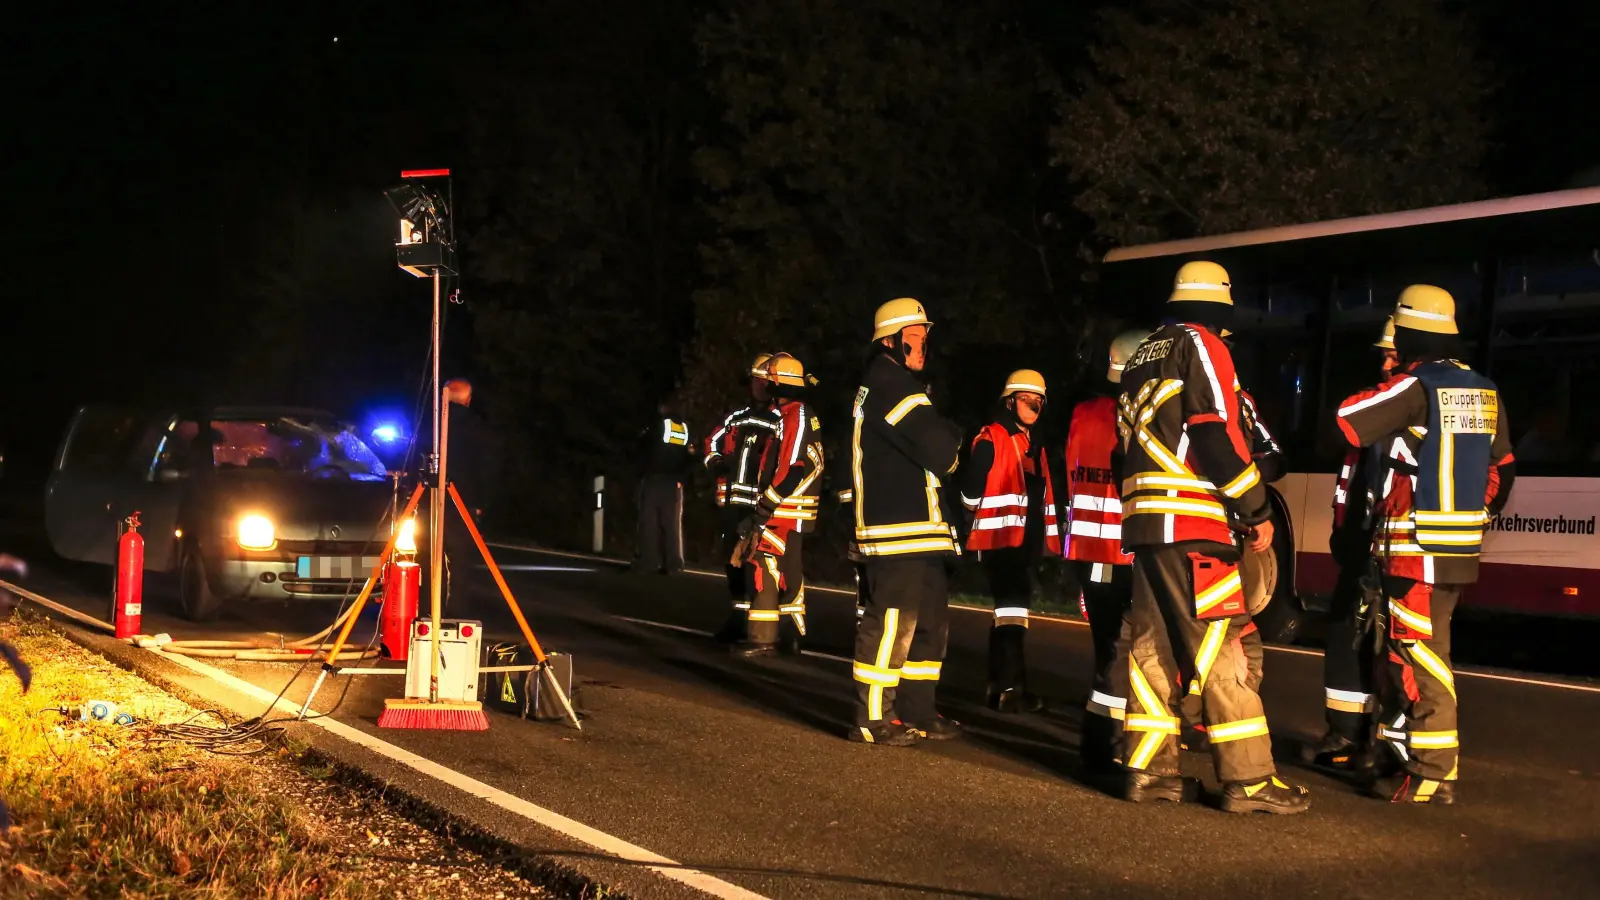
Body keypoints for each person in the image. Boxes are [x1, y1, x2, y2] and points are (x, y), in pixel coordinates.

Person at [1116, 260, 1310, 814]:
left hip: (1147, 524)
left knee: (1150, 648)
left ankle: (1149, 772)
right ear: (1219, 308)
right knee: (1220, 643)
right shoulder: (1201, 346)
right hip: (1194, 520)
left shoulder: (1140, 354)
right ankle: (1248, 781)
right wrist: (1253, 509)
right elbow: (1214, 436)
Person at [1332, 287, 1516, 804]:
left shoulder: (1419, 386)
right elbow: (1505, 470)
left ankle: (1435, 770)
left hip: (1415, 548)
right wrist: (1474, 518)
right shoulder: (1483, 389)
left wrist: (1392, 383)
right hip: (1456, 548)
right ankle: (1407, 756)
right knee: (1410, 648)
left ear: (1411, 335)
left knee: (1421, 652)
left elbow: (1348, 420)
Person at [848, 298, 965, 746]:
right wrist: (954, 437)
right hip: (897, 528)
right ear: (890, 341)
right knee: (893, 622)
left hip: (920, 529)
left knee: (929, 622)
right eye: (916, 338)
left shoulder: (892, 383)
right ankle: (873, 716)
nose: (924, 347)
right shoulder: (890, 383)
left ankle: (917, 709)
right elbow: (942, 451)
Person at [1302, 316, 1398, 771]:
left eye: (1394, 354)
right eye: (1383, 352)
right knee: (1347, 636)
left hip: (1387, 545)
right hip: (1362, 541)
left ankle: (1374, 743)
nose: (1385, 362)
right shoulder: (1382, 408)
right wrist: (1343, 533)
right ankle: (1348, 734)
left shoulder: (1404, 407)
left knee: (1383, 644)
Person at [1065, 330, 1145, 770]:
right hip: (1124, 551)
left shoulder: (1082, 413)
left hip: (1085, 549)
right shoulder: (1137, 415)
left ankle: (1102, 736)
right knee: (1122, 651)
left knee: (1106, 648)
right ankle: (1107, 743)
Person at [960, 370, 1061, 714]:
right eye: (1027, 398)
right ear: (1009, 400)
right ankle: (1010, 689)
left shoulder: (1031, 442)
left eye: (1039, 400)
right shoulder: (993, 437)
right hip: (1001, 542)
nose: (1034, 404)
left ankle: (1000, 685)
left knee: (1009, 614)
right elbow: (971, 491)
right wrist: (972, 523)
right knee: (1012, 613)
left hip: (1022, 543)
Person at [732, 353, 823, 657]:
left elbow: (792, 467)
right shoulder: (795, 414)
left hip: (785, 509)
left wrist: (763, 508)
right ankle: (788, 636)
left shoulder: (795, 416)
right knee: (788, 572)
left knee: (764, 565)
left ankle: (763, 639)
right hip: (789, 509)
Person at [704, 354, 778, 641]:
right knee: (731, 561)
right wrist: (716, 462)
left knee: (756, 563)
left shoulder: (779, 420)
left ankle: (757, 624)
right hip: (733, 503)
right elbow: (712, 442)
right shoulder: (738, 417)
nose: (759, 386)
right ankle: (737, 616)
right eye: (755, 381)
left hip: (761, 505)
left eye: (764, 381)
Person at [634, 399, 694, 575]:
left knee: (649, 521)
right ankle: (674, 563)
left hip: (655, 478)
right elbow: (689, 457)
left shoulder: (659, 425)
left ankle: (649, 560)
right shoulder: (684, 429)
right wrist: (682, 477)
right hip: (674, 482)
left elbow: (644, 446)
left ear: (664, 408)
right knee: (672, 524)